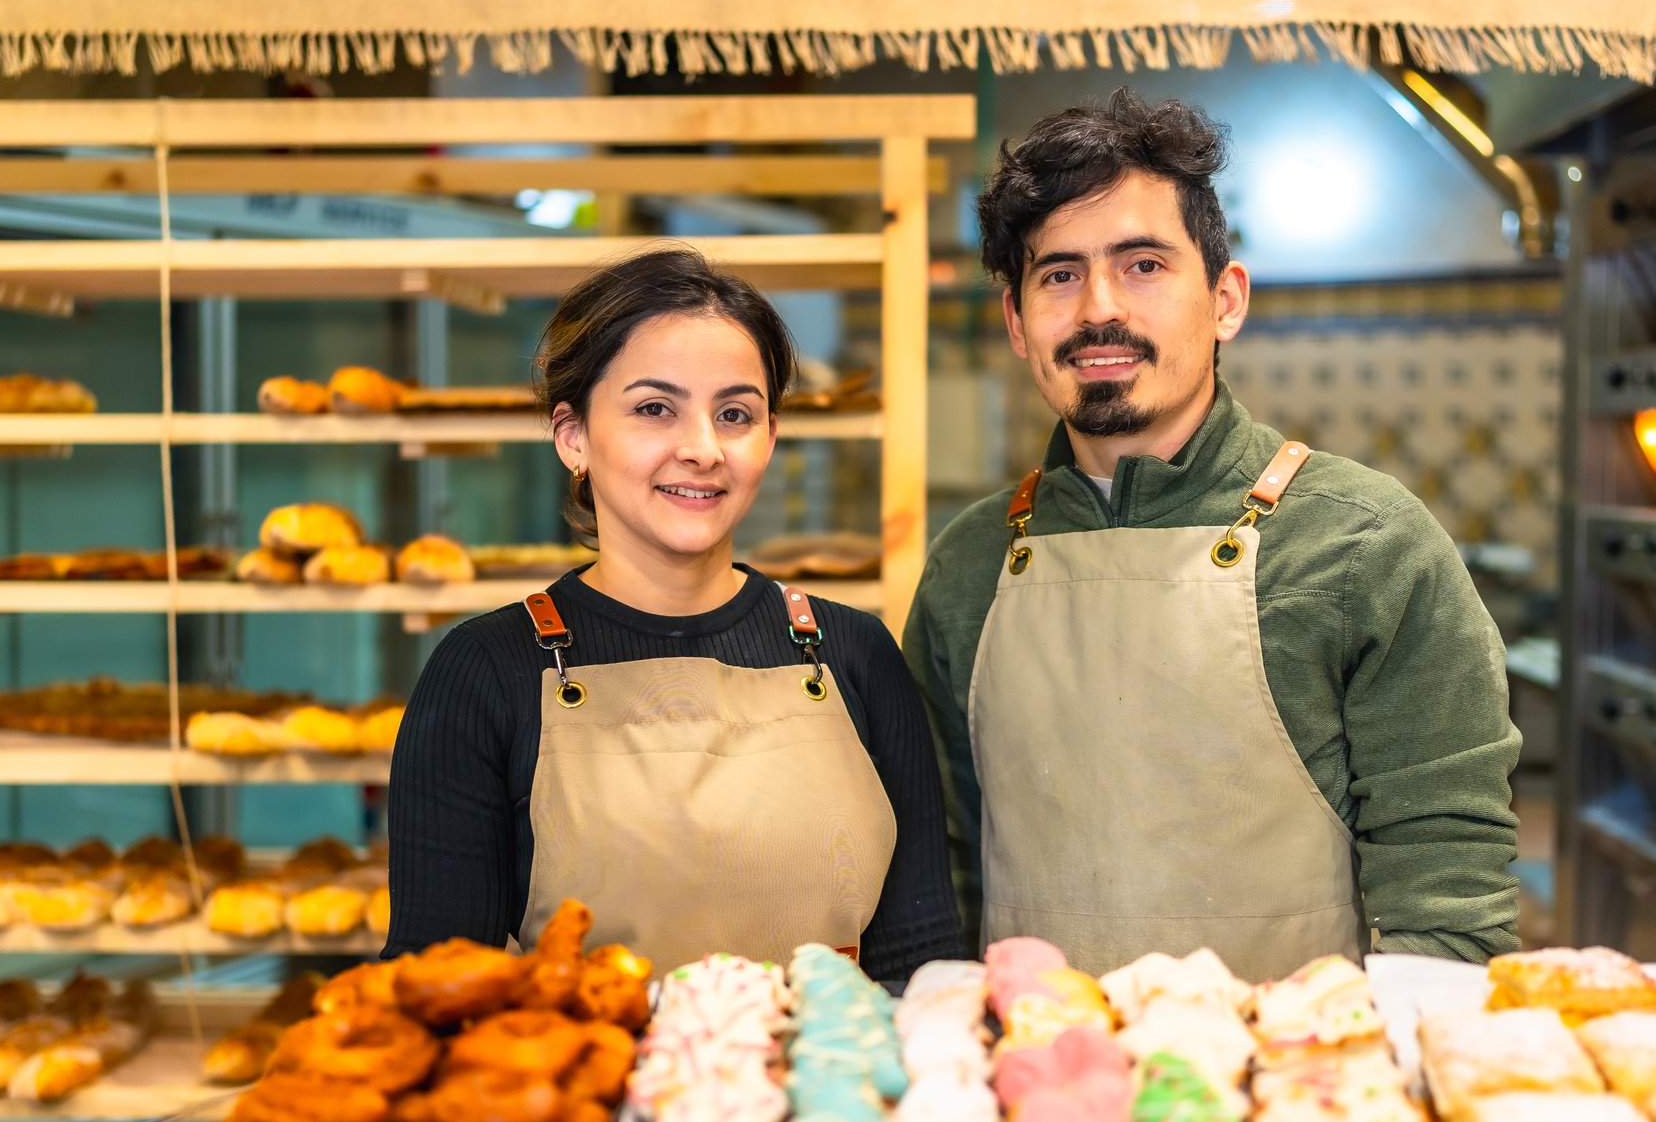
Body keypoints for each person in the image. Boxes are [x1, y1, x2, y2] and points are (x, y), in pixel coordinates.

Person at [905, 89, 1521, 980]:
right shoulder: (969, 562)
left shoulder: (1366, 545)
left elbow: (1449, 896)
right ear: (1016, 321)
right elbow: (943, 874)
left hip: (1293, 1094)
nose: (1097, 310)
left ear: (1225, 298)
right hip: (1037, 1085)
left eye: (1144, 264)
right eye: (1058, 274)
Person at [385, 246, 963, 980]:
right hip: (591, 1090)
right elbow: (435, 990)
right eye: (655, 408)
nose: (702, 449)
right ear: (573, 437)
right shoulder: (487, 670)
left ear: (771, 437)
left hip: (826, 1088)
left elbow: (921, 963)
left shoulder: (853, 653)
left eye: (735, 414)